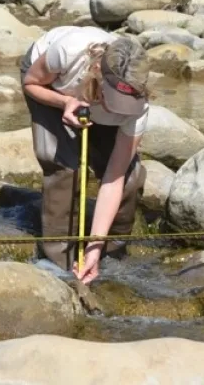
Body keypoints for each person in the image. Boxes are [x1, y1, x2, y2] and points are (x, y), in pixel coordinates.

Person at [20, 25, 150, 284]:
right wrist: (65, 103)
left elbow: (114, 177)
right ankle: (59, 263)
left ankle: (110, 257)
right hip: (50, 88)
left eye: (126, 107)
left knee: (129, 177)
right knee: (65, 167)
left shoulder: (139, 106)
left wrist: (94, 245)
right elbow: (30, 83)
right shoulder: (68, 51)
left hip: (85, 96)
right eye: (111, 100)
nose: (118, 111)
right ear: (97, 73)